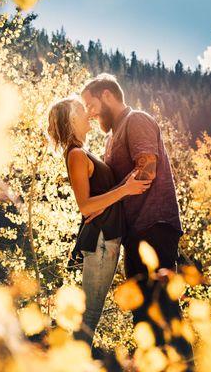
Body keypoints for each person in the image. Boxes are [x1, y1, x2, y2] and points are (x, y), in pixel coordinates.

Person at [80, 73, 194, 363]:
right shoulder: (110, 139)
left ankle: (184, 366)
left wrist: (105, 203)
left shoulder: (137, 121)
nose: (90, 114)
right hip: (134, 235)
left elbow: (147, 173)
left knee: (162, 308)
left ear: (107, 95)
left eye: (91, 105)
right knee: (144, 314)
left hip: (154, 226)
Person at [47, 96, 152, 348]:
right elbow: (85, 205)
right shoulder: (75, 155)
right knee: (90, 313)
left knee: (91, 312)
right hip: (101, 241)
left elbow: (98, 199)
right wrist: (125, 190)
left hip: (108, 238)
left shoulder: (83, 152)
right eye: (83, 111)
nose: (90, 114)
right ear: (73, 119)